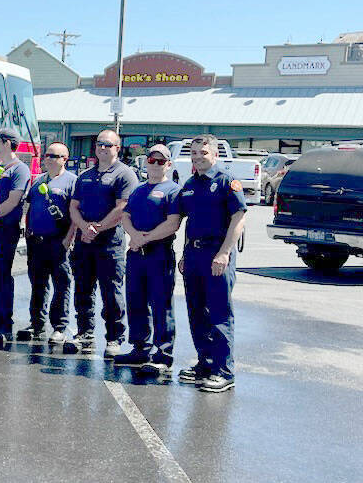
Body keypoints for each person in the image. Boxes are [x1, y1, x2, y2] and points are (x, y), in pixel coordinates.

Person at [176, 134, 247, 392]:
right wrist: (185, 253)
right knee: (196, 312)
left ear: (215, 155)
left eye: (203, 153)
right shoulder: (190, 184)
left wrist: (224, 252)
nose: (197, 157)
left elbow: (239, 218)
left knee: (219, 313)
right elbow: (188, 222)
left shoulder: (227, 182)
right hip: (194, 256)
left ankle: (223, 370)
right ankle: (205, 364)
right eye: (193, 153)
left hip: (216, 254)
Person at [68, 128, 138, 356]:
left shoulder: (124, 174)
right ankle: (84, 334)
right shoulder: (85, 175)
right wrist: (82, 227)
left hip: (109, 242)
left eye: (108, 144)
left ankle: (114, 338)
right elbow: (73, 207)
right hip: (84, 240)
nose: (103, 148)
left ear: (117, 148)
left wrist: (97, 228)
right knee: (83, 289)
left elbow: (122, 207)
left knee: (111, 292)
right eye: (99, 144)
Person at [119, 143, 182, 373]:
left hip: (159, 253)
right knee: (135, 301)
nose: (155, 165)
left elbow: (172, 223)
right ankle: (139, 348)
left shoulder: (173, 190)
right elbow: (126, 216)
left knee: (161, 304)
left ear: (169, 164)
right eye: (151, 160)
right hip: (136, 253)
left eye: (160, 161)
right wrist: (134, 236)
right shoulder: (139, 189)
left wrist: (145, 238)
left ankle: (163, 354)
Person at [20, 142, 76, 344]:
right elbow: (29, 208)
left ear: (64, 159)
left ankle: (59, 327)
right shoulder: (38, 181)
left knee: (62, 285)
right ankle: (36, 323)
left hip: (58, 241)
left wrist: (68, 239)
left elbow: (75, 214)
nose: (50, 159)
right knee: (38, 285)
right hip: (37, 241)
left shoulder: (72, 182)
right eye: (47, 155)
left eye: (55, 156)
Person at [0, 129, 31, 348]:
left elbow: (13, 201)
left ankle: (5, 320)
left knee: (3, 272)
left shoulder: (20, 169)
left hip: (5, 227)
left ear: (8, 144)